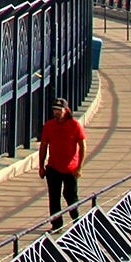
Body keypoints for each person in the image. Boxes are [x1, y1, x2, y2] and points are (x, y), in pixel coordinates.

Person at [38, 97, 87, 231]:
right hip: (53, 167)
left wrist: (79, 167)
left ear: (66, 110)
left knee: (70, 195)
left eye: (59, 110)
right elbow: (43, 146)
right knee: (54, 197)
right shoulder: (49, 125)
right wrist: (41, 166)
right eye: (55, 110)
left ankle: (76, 220)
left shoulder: (74, 125)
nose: (56, 112)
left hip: (71, 169)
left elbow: (82, 147)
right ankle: (56, 224)